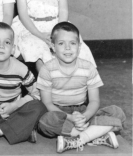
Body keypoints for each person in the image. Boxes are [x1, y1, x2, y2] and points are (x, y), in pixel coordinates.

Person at [37, 22, 126, 153]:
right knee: (45, 121)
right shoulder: (46, 69)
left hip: (84, 110)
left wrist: (85, 116)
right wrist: (70, 118)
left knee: (117, 113)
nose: (67, 48)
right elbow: (47, 102)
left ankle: (79, 139)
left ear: (79, 46)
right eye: (61, 43)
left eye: (72, 43)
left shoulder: (88, 67)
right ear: (53, 46)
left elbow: (94, 101)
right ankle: (95, 135)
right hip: (59, 112)